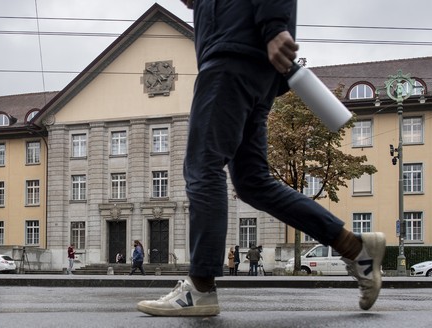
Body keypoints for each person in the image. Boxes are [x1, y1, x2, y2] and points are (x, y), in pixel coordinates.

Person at [136, 0, 386, 317]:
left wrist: (275, 26)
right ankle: (354, 247)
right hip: (253, 65)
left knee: (203, 167)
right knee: (253, 182)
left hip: (231, 57)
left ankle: (200, 289)